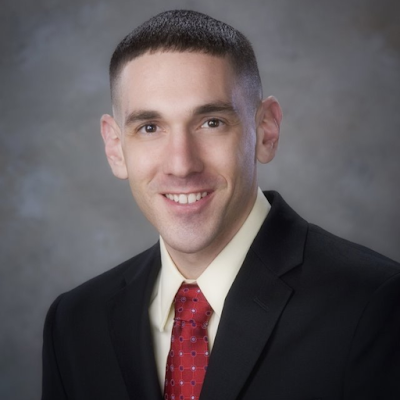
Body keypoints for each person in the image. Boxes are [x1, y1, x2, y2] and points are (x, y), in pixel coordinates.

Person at [41, 10, 400, 400]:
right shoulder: (75, 323)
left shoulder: (375, 305)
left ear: (266, 131)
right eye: (150, 127)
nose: (181, 164)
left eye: (211, 122)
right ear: (115, 148)